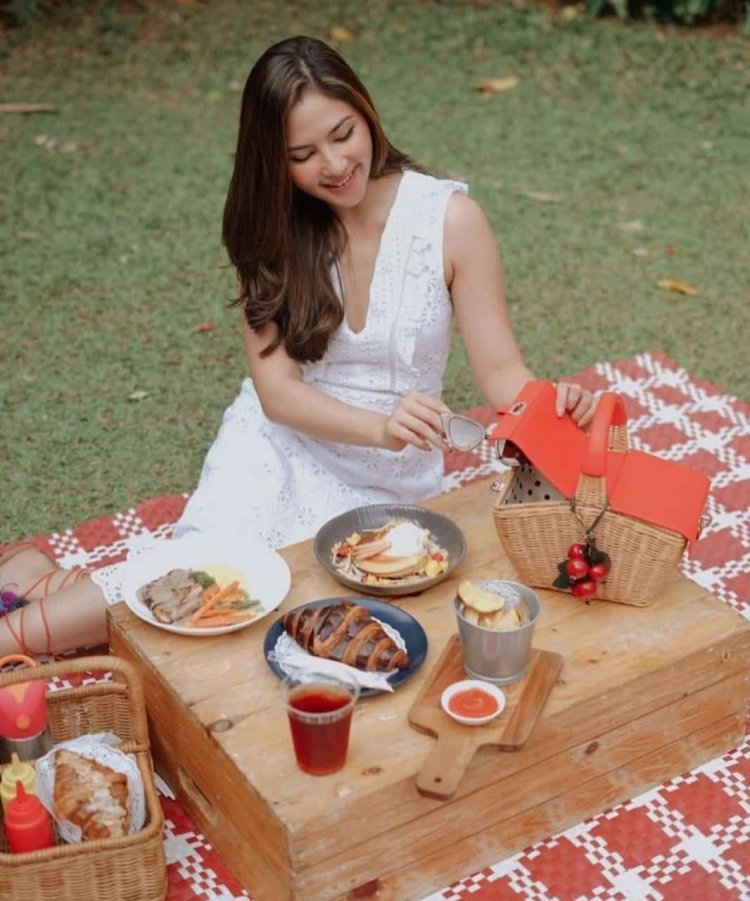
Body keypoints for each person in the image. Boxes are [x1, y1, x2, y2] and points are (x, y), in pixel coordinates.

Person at [0, 36, 596, 658]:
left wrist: (556, 406)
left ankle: (37, 583)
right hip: (276, 444)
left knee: (299, 625)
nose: (335, 166)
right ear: (274, 161)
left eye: (344, 134)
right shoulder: (272, 230)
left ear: (366, 112)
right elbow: (278, 394)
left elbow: (502, 371)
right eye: (303, 154)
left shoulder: (450, 221)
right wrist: (381, 426)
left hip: (391, 483)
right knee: (206, 586)